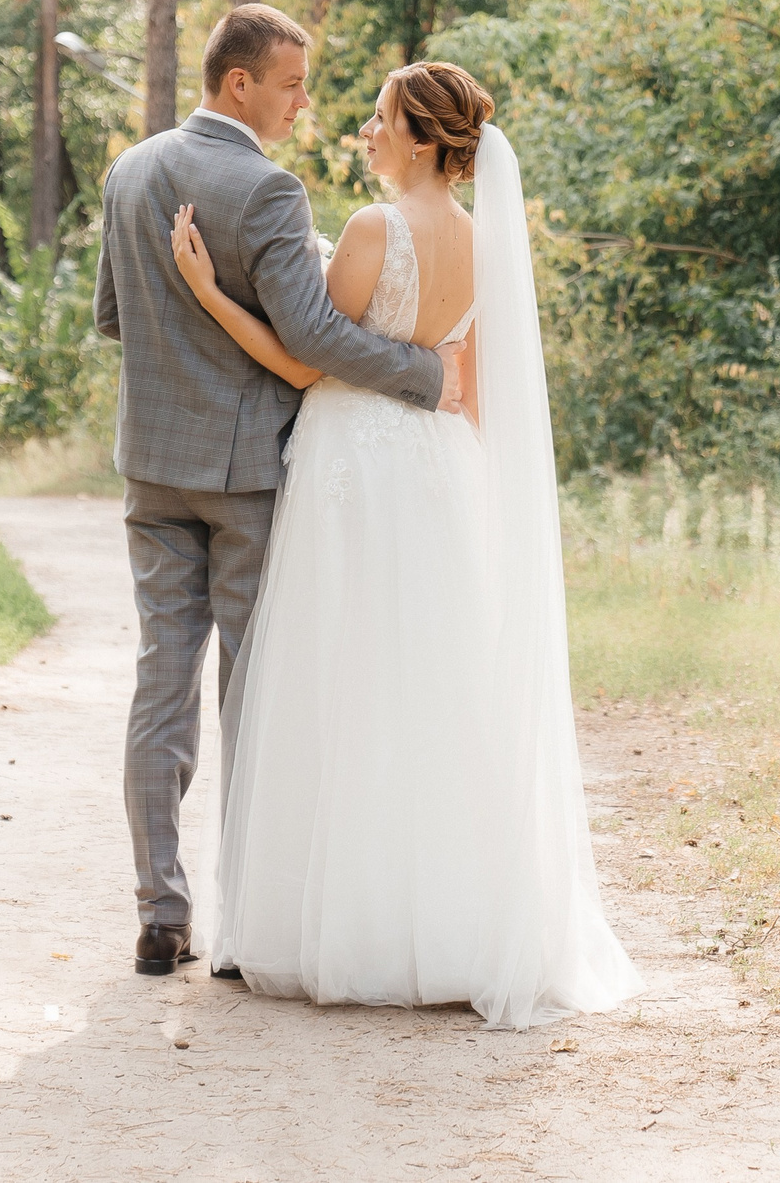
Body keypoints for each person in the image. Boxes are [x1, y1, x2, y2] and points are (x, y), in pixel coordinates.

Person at [168, 59, 641, 1028]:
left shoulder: (374, 228)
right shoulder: (482, 241)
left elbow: (307, 360)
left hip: (351, 470)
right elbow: (474, 387)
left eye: (380, 119)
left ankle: (345, 923)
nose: (366, 132)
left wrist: (210, 292)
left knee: (342, 684)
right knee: (433, 688)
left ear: (422, 139)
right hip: (437, 472)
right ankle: (451, 923)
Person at [92, 4, 465, 978]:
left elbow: (114, 317)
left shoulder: (129, 170)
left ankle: (160, 913)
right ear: (239, 83)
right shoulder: (266, 188)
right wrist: (425, 375)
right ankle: (245, 922)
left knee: (160, 681)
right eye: (292, 84)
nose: (304, 102)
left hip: (151, 467)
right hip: (248, 472)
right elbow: (314, 338)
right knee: (255, 694)